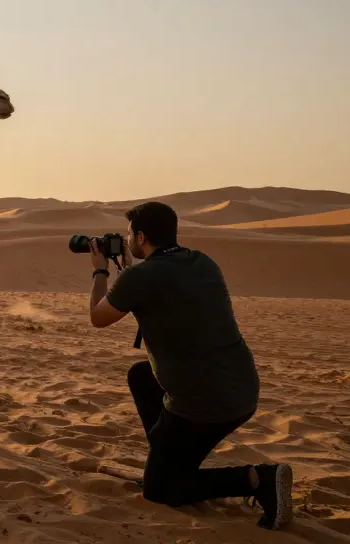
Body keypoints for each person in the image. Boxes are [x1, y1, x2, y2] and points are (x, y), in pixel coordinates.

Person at [87, 202, 292, 530]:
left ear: (141, 237)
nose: (126, 241)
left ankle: (257, 478)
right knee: (141, 375)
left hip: (202, 403)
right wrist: (129, 271)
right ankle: (167, 459)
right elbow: (161, 290)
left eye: (129, 235)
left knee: (160, 491)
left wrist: (100, 270)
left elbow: (98, 317)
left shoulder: (141, 277)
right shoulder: (202, 262)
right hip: (241, 389)